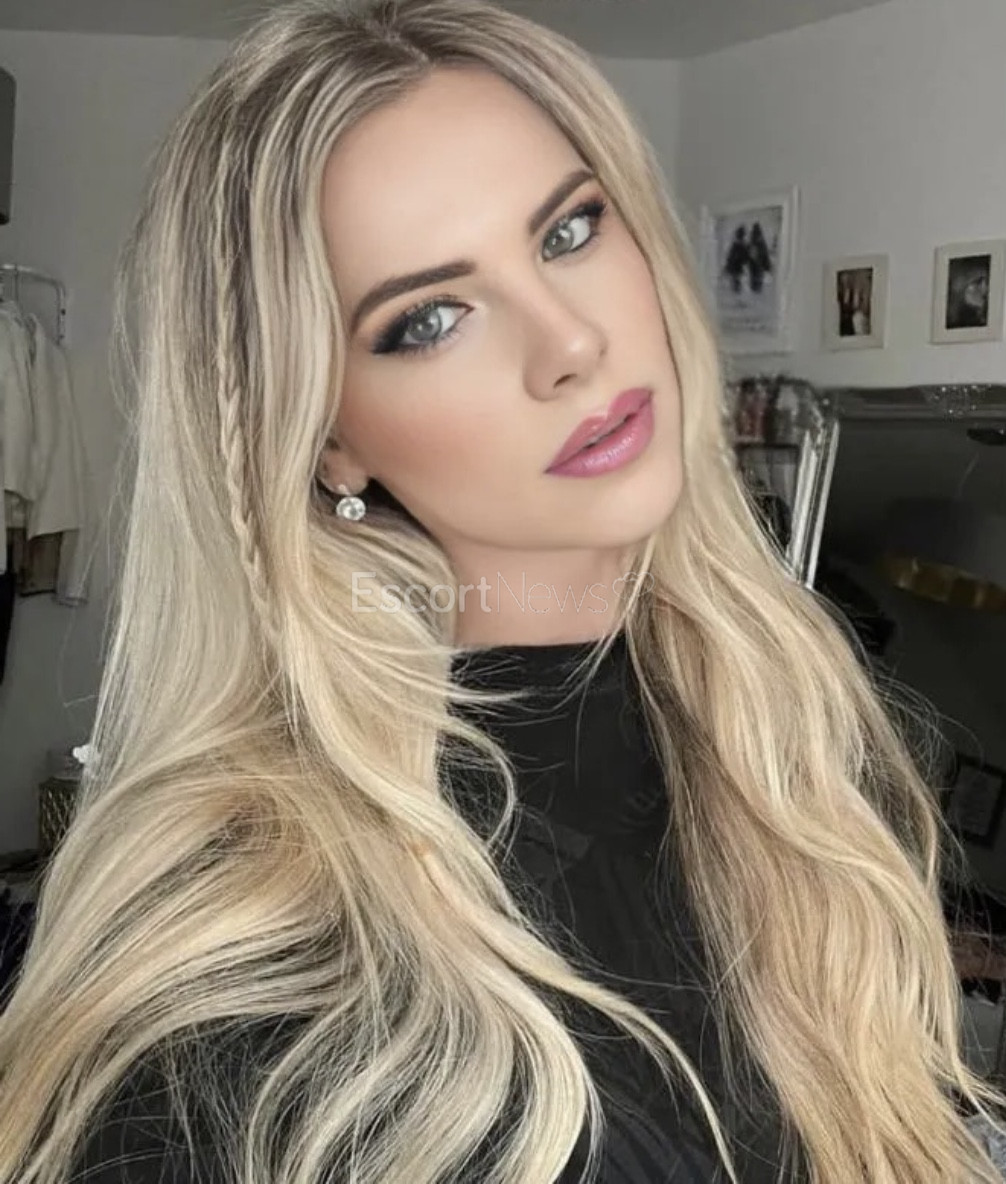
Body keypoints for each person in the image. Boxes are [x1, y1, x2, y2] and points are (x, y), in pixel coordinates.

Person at [1, 0, 1004, 1181]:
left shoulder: (782, 733)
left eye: (569, 230)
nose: (568, 341)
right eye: (429, 318)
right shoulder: (246, 982)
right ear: (326, 438)